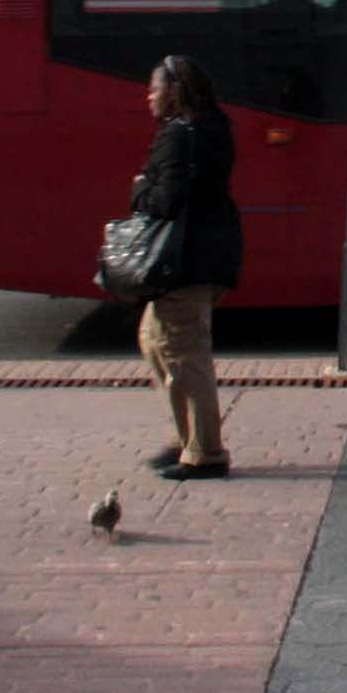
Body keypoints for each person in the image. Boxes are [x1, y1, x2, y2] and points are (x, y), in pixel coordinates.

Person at [132, 54, 244, 481]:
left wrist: (140, 189)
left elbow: (166, 201)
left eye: (154, 88)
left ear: (175, 92)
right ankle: (188, 439)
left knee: (184, 353)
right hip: (209, 251)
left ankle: (206, 453)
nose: (149, 97)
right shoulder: (215, 129)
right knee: (155, 339)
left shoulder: (178, 137)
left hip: (185, 259)